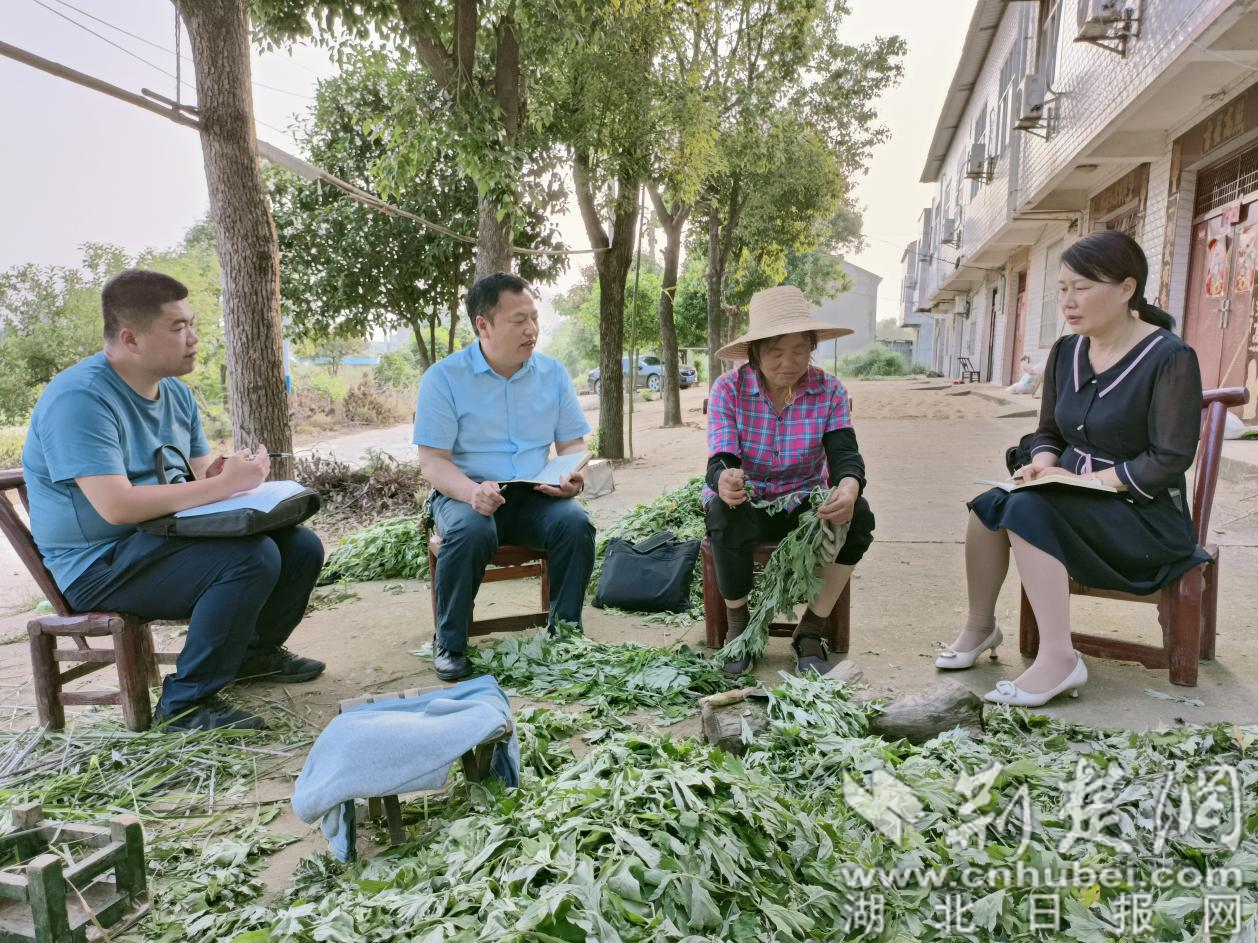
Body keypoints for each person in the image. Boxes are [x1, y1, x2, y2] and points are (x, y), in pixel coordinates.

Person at [22, 269, 326, 731]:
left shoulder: (177, 394)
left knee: (300, 546)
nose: (194, 339)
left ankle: (252, 657)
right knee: (249, 559)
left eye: (193, 324)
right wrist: (222, 486)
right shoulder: (80, 399)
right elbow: (117, 507)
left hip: (163, 539)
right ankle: (186, 703)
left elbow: (201, 472)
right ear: (131, 338)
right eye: (178, 327)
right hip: (98, 565)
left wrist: (233, 472)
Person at [939, 230, 1208, 706]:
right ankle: (980, 628)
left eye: (1081, 287)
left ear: (1128, 289)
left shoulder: (1169, 357)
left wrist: (1084, 481)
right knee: (990, 506)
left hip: (1142, 520)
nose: (1069, 300)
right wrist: (1042, 464)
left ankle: (1060, 659)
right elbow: (1049, 433)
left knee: (1025, 511)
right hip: (1071, 500)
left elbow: (1169, 458)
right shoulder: (1067, 353)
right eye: (1062, 288)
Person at [415, 272, 595, 681]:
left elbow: (572, 447)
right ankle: (451, 643)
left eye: (534, 318)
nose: (531, 330)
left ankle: (565, 634)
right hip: (467, 494)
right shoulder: (443, 379)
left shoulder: (552, 374)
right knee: (471, 532)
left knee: (575, 523)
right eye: (519, 320)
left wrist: (571, 476)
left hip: (535, 494)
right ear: (483, 325)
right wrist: (471, 491)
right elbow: (434, 463)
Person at [704, 285, 876, 677]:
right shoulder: (728, 389)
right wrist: (726, 479)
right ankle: (739, 628)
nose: (789, 362)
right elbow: (721, 459)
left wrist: (849, 487)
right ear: (755, 352)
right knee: (723, 512)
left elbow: (844, 454)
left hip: (804, 503)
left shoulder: (828, 390)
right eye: (776, 352)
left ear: (812, 347)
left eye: (799, 350)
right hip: (751, 499)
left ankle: (810, 630)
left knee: (860, 516)